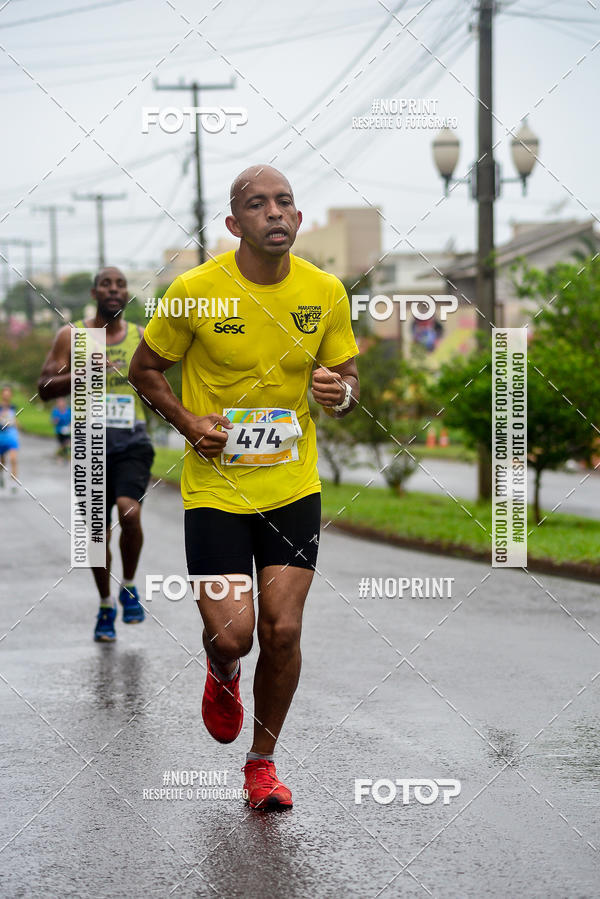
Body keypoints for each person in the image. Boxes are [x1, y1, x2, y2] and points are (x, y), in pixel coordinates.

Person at [129, 165, 360, 810]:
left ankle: (263, 764)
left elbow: (346, 382)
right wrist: (188, 422)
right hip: (215, 491)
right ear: (235, 224)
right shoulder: (194, 291)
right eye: (258, 205)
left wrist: (339, 395)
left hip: (293, 487)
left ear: (300, 217)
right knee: (236, 635)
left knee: (283, 630)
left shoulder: (325, 292)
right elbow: (142, 368)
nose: (276, 213)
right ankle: (223, 669)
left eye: (285, 202)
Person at [38, 268, 154, 642]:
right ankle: (106, 603)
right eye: (107, 284)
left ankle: (130, 585)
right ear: (93, 292)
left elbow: (155, 382)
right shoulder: (72, 336)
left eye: (121, 284)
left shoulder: (140, 336)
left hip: (132, 440)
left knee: (129, 511)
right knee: (95, 535)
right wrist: (80, 373)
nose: (115, 290)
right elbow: (43, 388)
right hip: (90, 444)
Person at [0, 385, 20, 493]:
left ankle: (13, 482)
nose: (7, 395)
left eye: (8, 393)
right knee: (2, 462)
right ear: (2, 394)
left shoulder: (13, 407)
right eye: (5, 393)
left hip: (11, 436)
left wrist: (17, 424)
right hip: (1, 436)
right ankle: (1, 475)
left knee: (13, 459)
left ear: (11, 395)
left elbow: (15, 419)